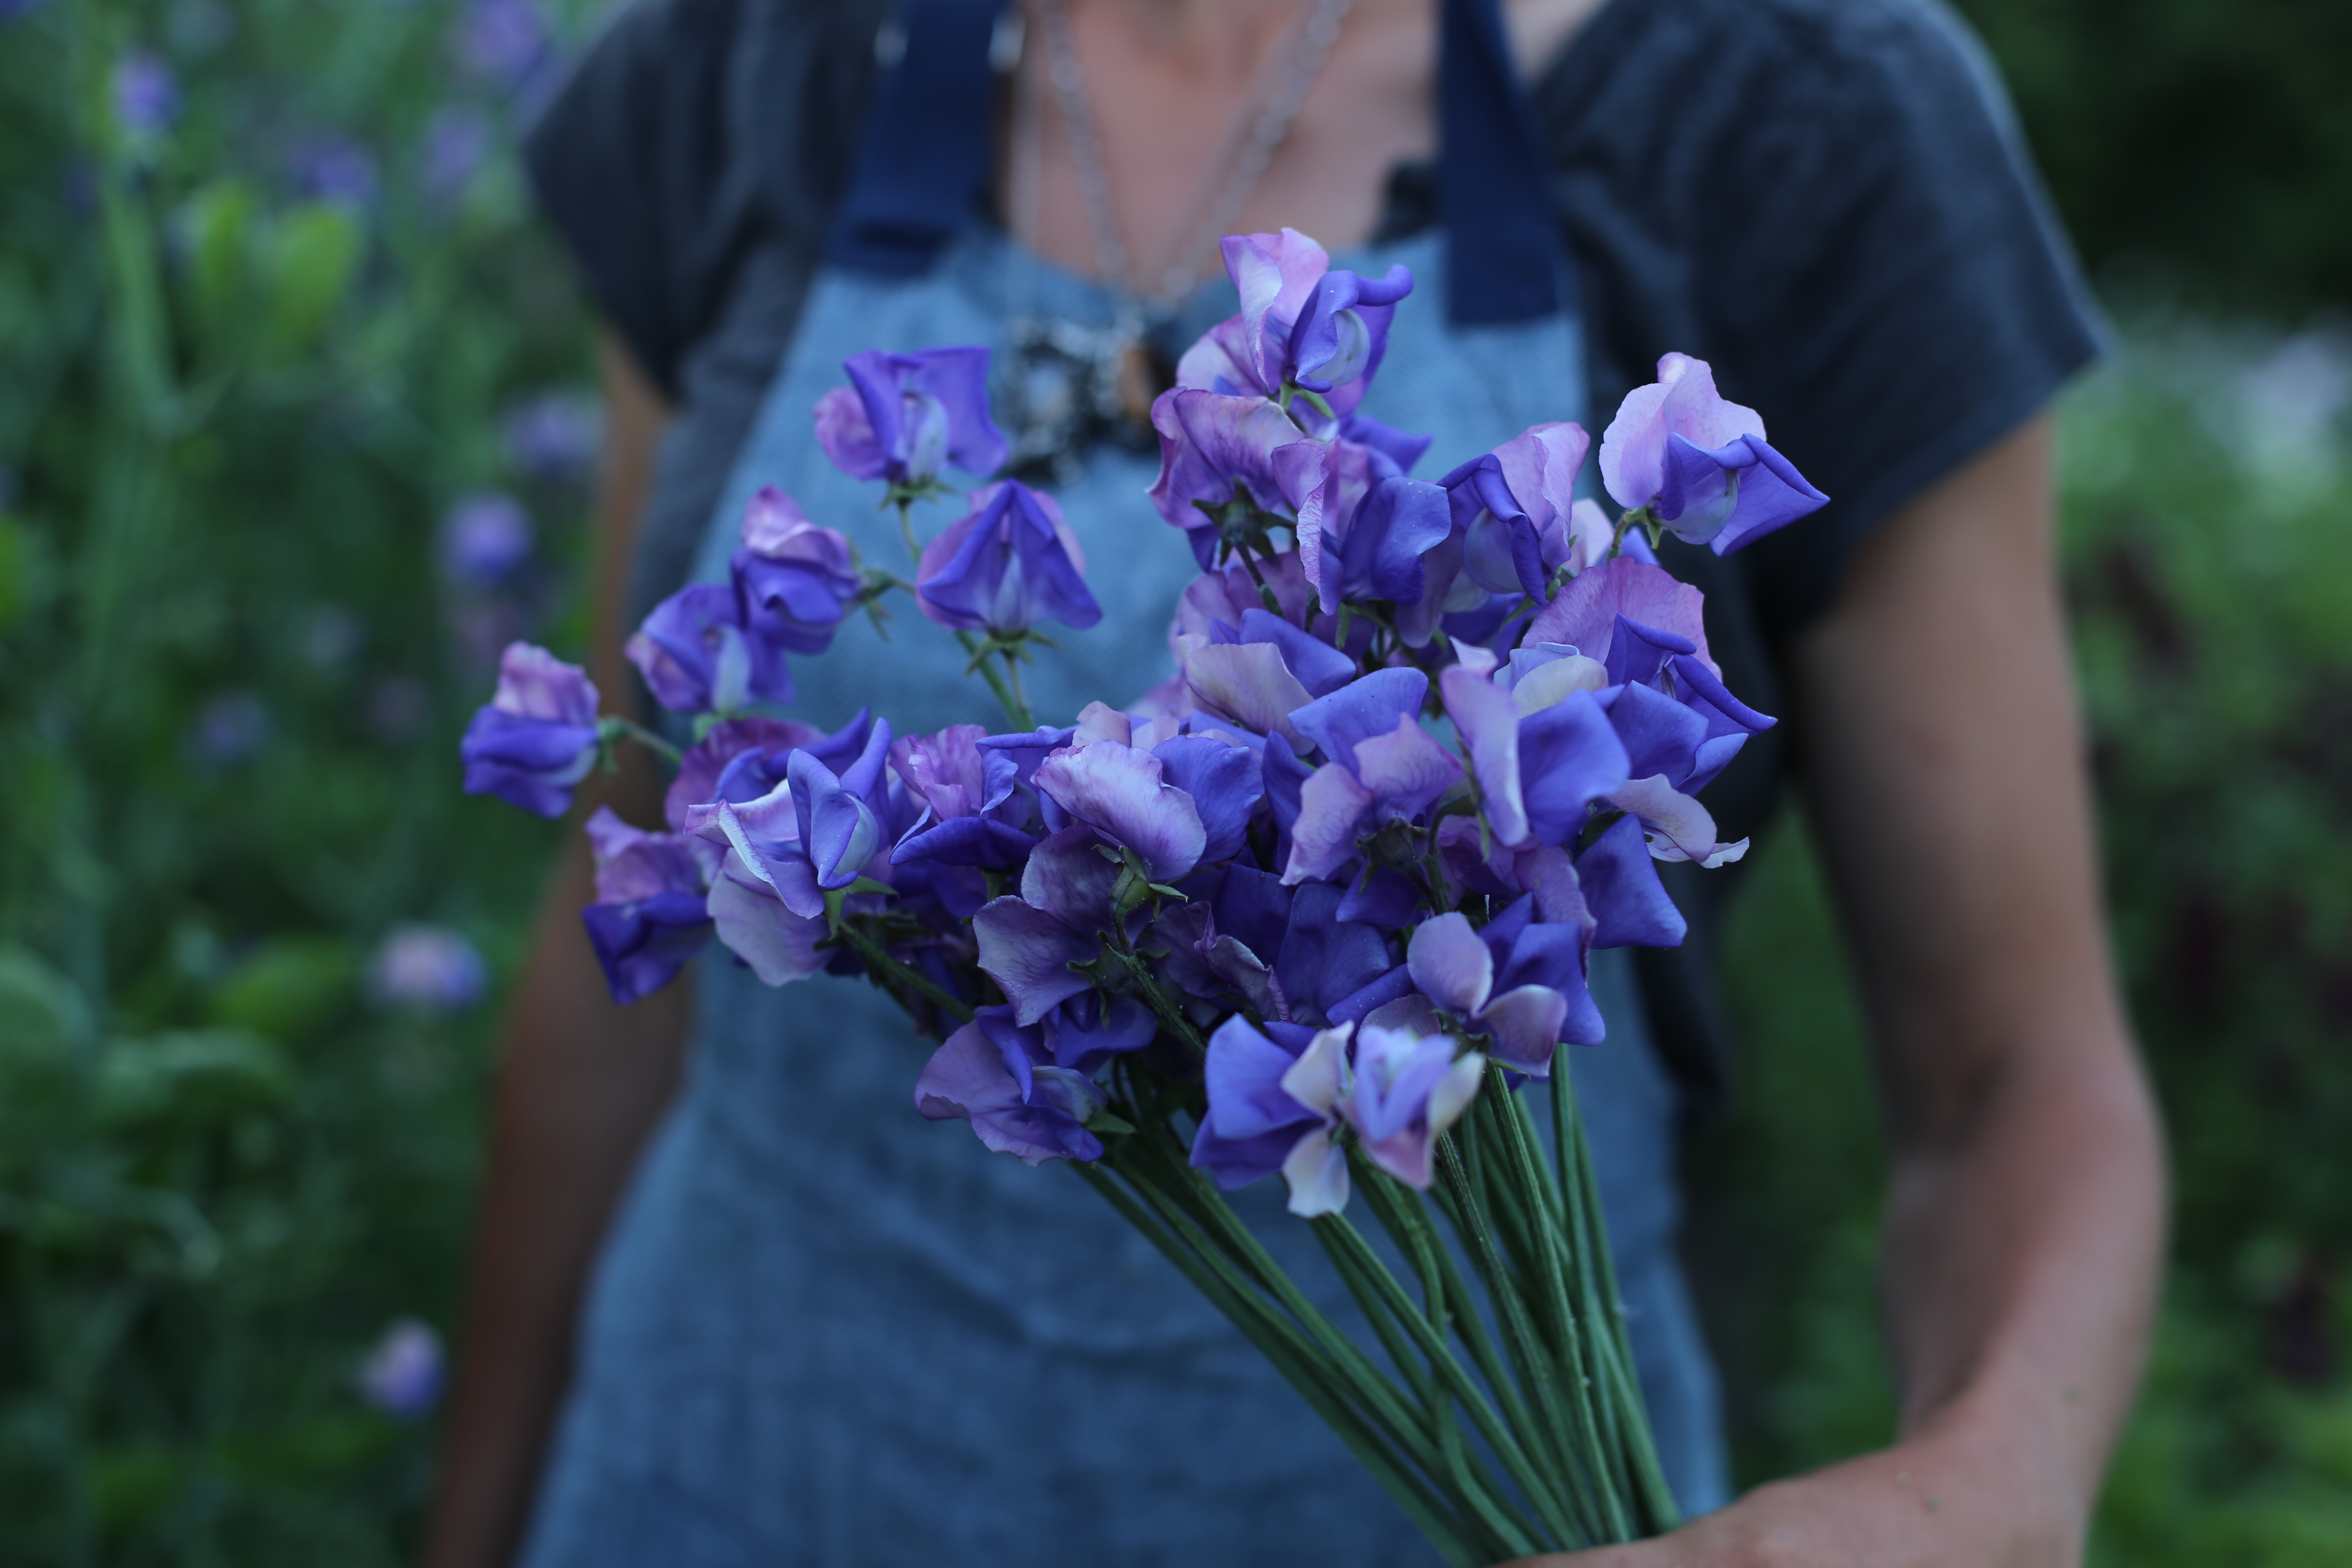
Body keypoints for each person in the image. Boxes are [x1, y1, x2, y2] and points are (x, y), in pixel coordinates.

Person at [422, 0, 2166, 1562]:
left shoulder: (1798, 112)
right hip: (724, 1488)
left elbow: (2013, 1076)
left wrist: (1988, 1488)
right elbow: (623, 942)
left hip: (1476, 1507)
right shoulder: (750, 64)